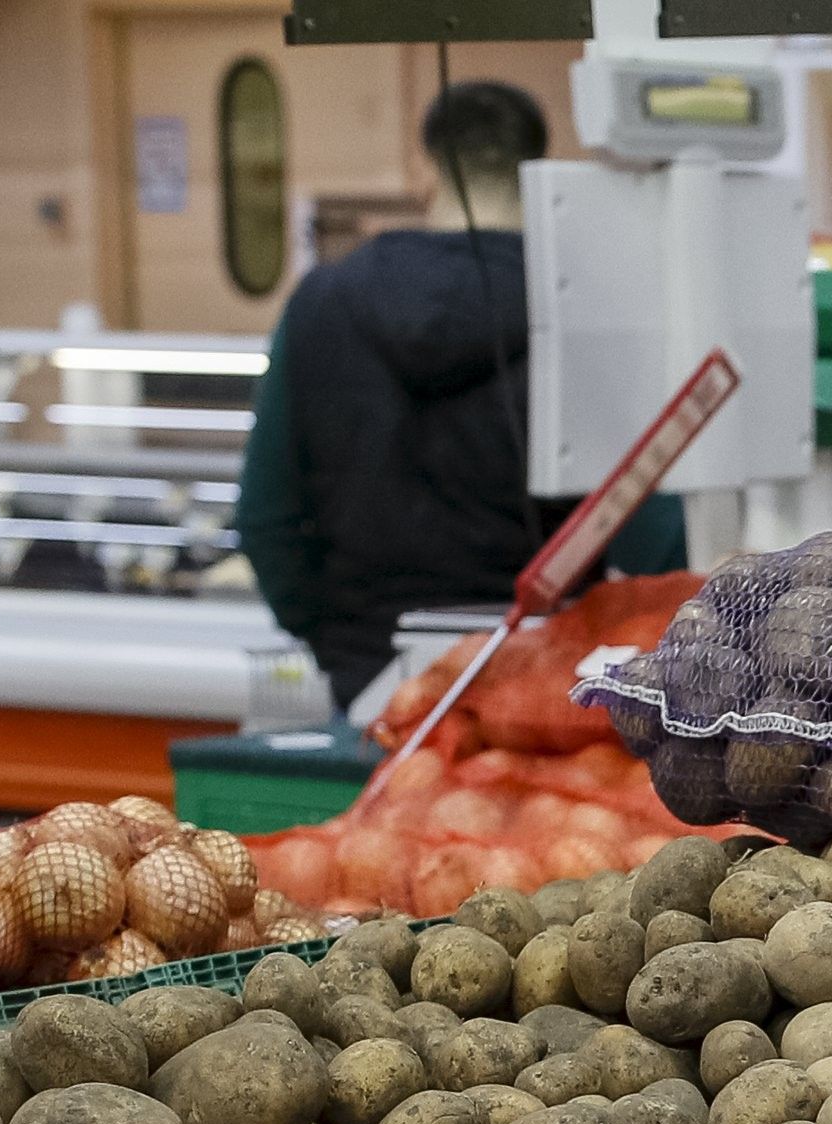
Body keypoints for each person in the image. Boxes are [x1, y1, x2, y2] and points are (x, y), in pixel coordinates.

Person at [236, 80, 679, 710]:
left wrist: (338, 644)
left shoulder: (323, 304)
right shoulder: (585, 306)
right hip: (547, 681)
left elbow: (264, 517)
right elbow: (650, 529)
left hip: (375, 679)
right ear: (538, 174)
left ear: (425, 167)